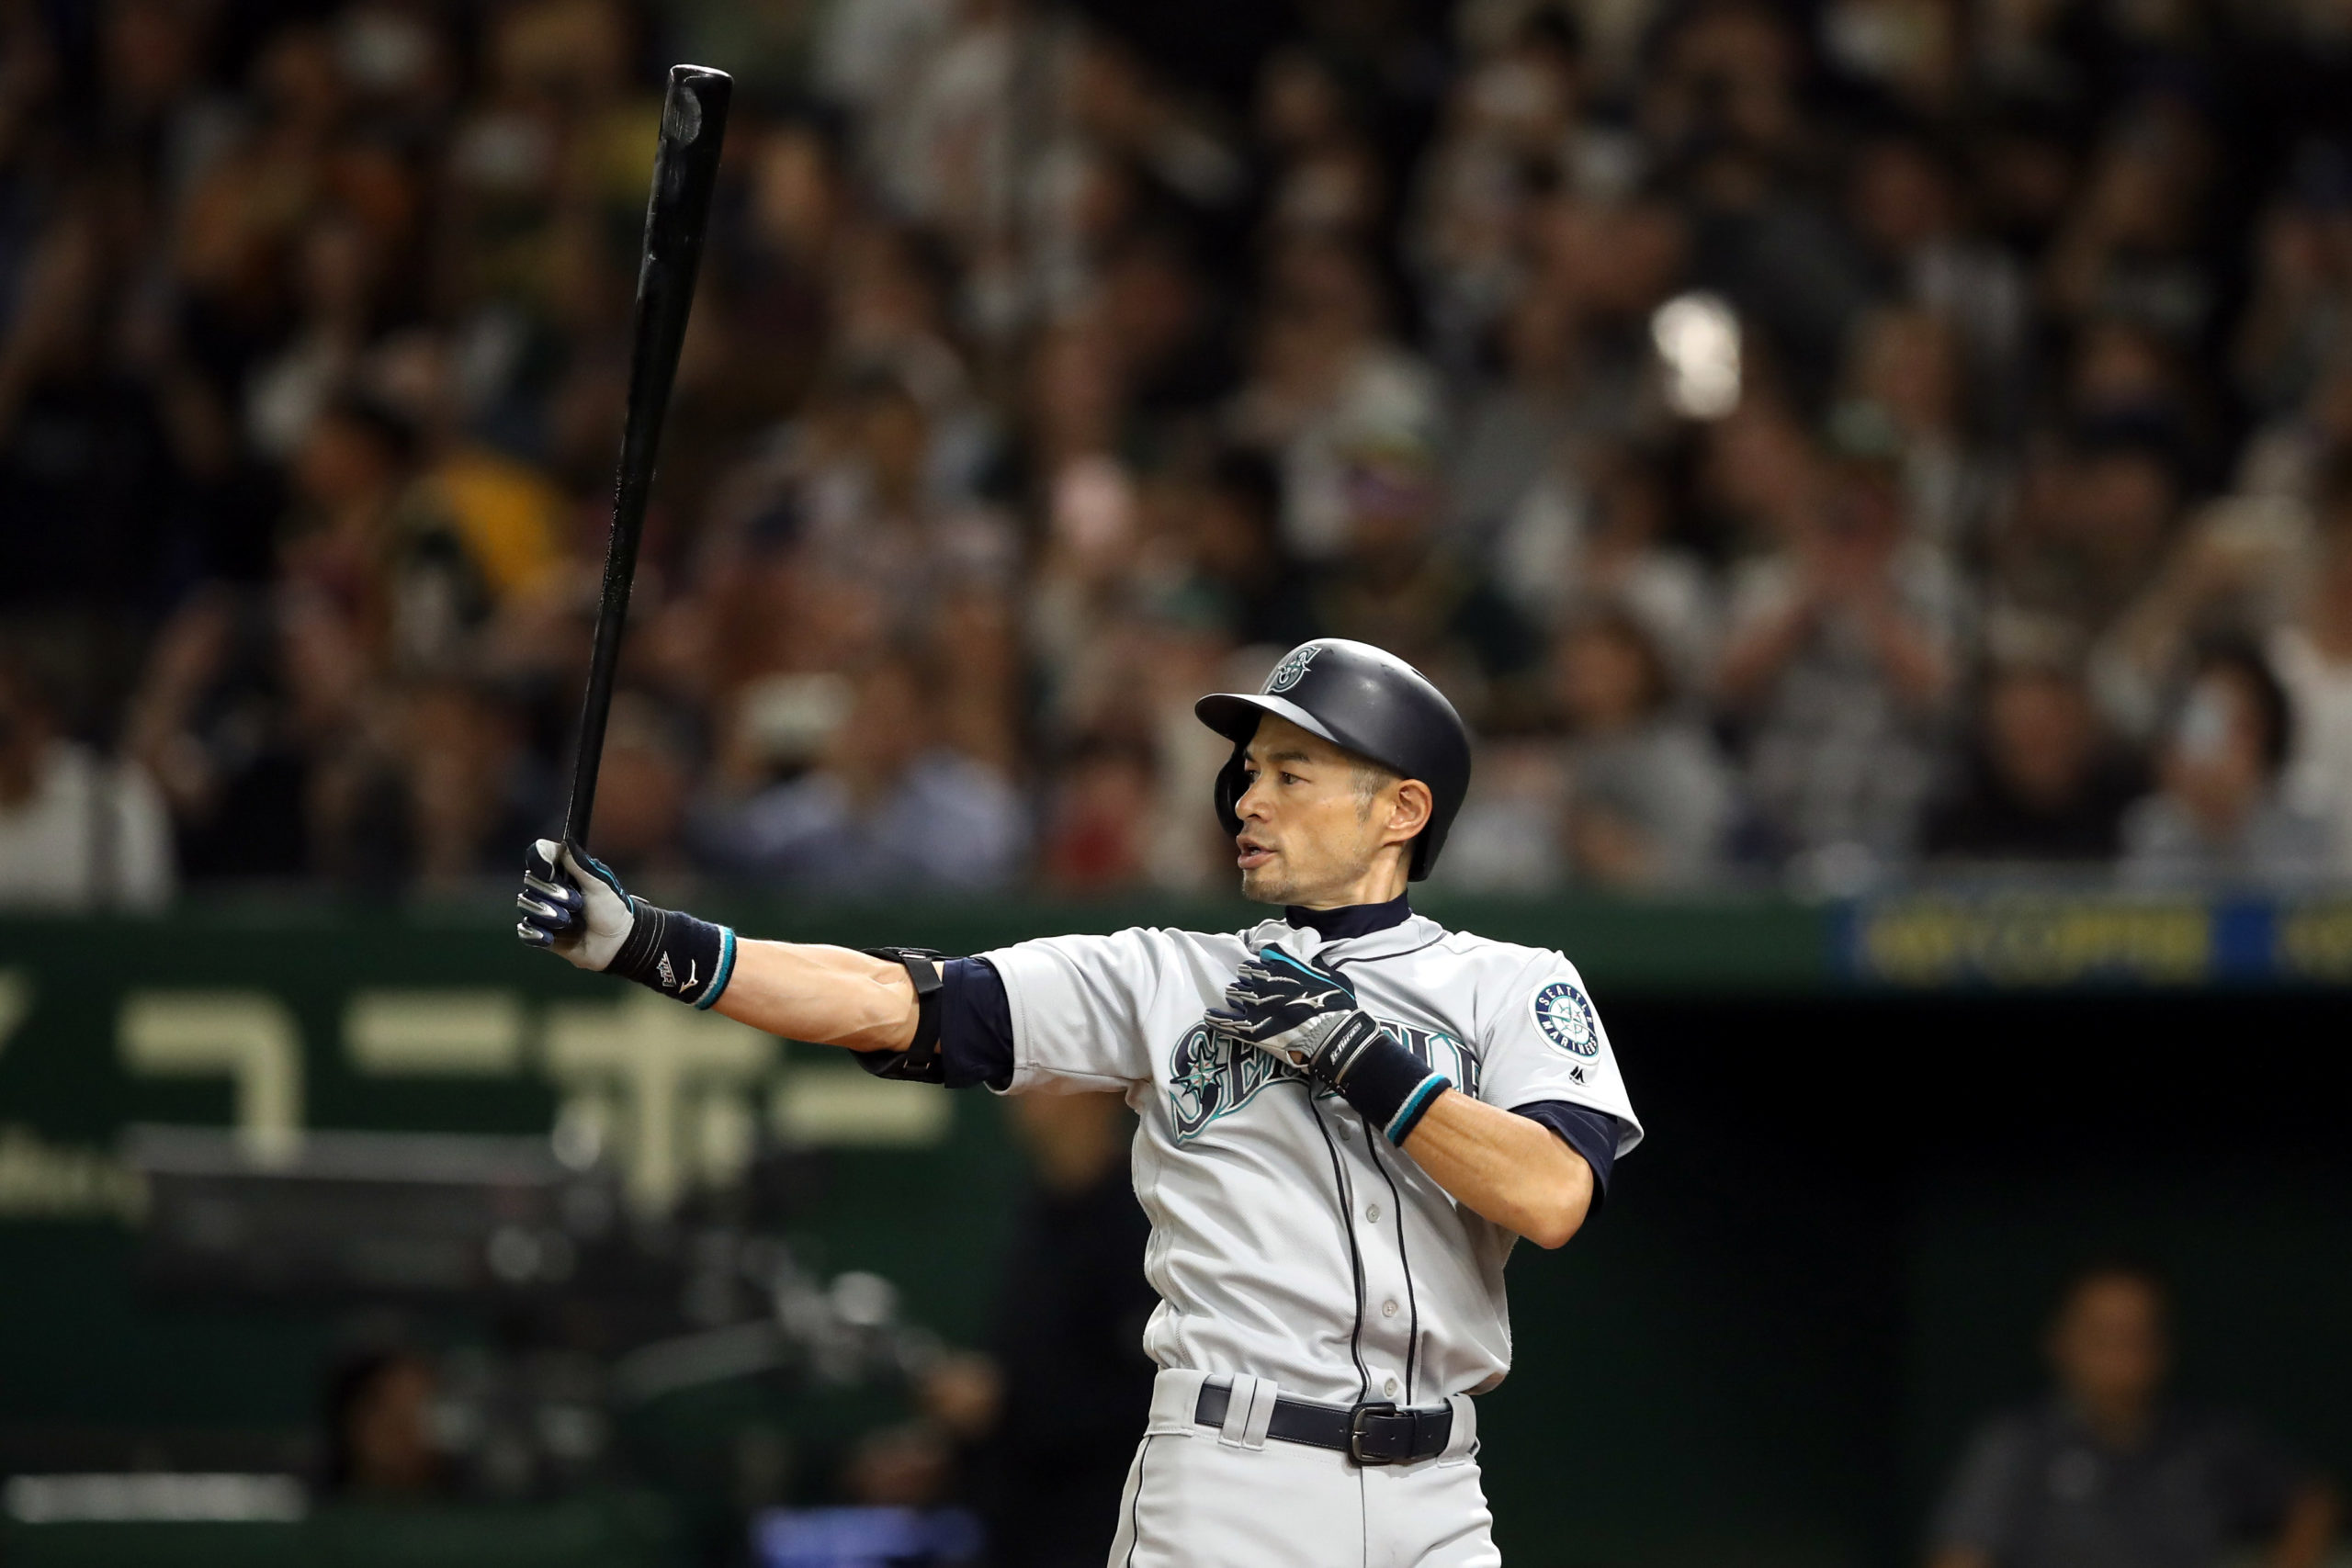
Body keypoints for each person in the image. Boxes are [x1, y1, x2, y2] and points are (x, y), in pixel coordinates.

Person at [516, 637, 1640, 1566]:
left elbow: (1551, 1195)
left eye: (1291, 775)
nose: (1247, 798)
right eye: (1247, 772)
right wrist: (651, 943)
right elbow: (892, 1002)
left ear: (1401, 808)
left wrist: (1361, 1056)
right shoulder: (1169, 978)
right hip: (1232, 1484)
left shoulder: (1511, 984)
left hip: (1436, 1494)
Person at [1926, 1262, 2336, 1568]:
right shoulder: (2016, 1443)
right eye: (2103, 1337)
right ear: (2059, 1343)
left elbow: (2311, 1498)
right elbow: (1959, 1555)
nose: (2123, 1356)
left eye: (2138, 1335)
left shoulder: (2208, 1438)